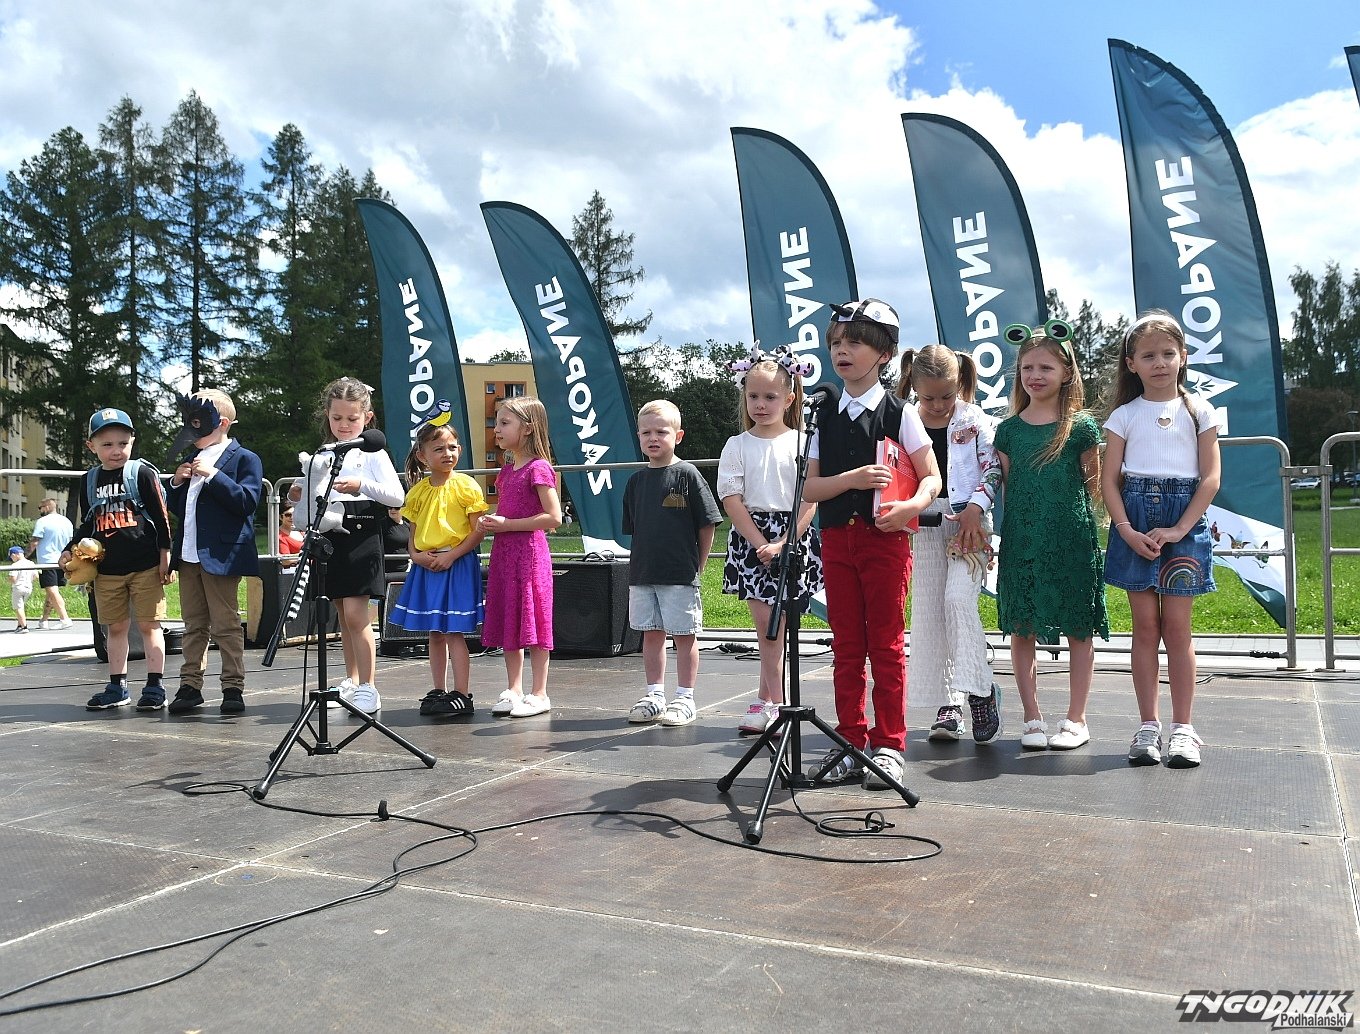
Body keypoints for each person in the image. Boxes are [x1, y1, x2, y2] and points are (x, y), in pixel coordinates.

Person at [802, 299, 940, 789]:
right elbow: (809, 488)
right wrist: (852, 479)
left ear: (884, 354)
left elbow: (931, 478)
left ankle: (889, 745)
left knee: (885, 644)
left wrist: (910, 507)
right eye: (836, 343)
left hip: (886, 544)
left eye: (855, 343)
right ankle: (849, 742)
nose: (842, 351)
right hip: (837, 540)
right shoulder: (821, 414)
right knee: (845, 645)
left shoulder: (901, 413)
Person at [1102, 311, 1221, 768]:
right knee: (1145, 628)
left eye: (1168, 354)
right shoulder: (1123, 416)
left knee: (1177, 629)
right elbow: (1109, 481)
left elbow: (1210, 479)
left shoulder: (1200, 411)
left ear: (1183, 357)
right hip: (1134, 523)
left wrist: (1179, 529)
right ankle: (1148, 726)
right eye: (1148, 356)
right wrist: (1126, 530)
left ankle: (1183, 729)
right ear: (1131, 363)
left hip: (1182, 525)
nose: (1159, 363)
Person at [993, 320, 1109, 751]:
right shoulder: (1008, 431)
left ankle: (1077, 718)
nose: (1035, 375)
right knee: (1022, 628)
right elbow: (1007, 488)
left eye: (1045, 367)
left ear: (1066, 373)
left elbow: (1094, 486)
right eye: (1027, 367)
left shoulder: (1081, 428)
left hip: (1072, 541)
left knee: (1079, 627)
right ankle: (1032, 717)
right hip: (1023, 542)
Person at [895, 344, 1003, 745]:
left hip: (969, 525)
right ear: (914, 387)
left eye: (947, 395)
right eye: (929, 398)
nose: (939, 405)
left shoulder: (975, 420)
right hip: (924, 524)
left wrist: (976, 508)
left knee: (958, 600)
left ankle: (980, 688)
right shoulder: (906, 419)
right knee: (932, 613)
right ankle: (948, 703)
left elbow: (992, 468)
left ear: (960, 384)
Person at [716, 346, 823, 735]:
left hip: (792, 537)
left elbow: (809, 497)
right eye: (753, 396)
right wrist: (761, 542)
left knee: (780, 626)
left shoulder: (803, 442)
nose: (760, 405)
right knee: (768, 627)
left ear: (789, 398)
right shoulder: (737, 444)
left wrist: (785, 541)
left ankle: (766, 699)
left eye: (770, 397)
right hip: (752, 539)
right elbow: (731, 498)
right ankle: (776, 704)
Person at [289, 377, 404, 715]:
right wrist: (298, 492)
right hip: (330, 535)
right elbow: (315, 489)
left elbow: (396, 496)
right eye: (336, 418)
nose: (343, 425)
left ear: (367, 417)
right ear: (326, 415)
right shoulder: (325, 452)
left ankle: (369, 687)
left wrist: (361, 485)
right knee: (342, 613)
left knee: (356, 614)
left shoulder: (373, 453)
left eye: (352, 418)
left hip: (361, 533)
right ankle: (352, 680)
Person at [62, 407, 173, 711]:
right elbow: (87, 523)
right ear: (92, 446)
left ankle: (155, 686)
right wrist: (70, 548)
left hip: (146, 565)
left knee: (150, 625)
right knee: (116, 628)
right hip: (107, 570)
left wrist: (166, 556)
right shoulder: (89, 480)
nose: (116, 451)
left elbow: (162, 518)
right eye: (107, 444)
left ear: (132, 441)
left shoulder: (142, 473)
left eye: (123, 443)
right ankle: (117, 686)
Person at [622, 399, 724, 728]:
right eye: (646, 433)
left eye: (661, 432)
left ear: (678, 436)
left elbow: (707, 524)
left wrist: (699, 566)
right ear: (639, 436)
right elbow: (636, 530)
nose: (653, 438)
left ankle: (685, 697)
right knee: (651, 635)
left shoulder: (688, 475)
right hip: (643, 574)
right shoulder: (636, 482)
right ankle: (654, 695)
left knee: (684, 636)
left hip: (679, 574)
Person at [164, 391, 263, 716]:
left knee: (225, 623)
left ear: (221, 423)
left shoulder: (244, 458)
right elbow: (181, 509)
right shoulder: (192, 459)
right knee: (193, 624)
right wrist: (176, 484)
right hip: (189, 554)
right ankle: (190, 685)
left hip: (222, 556)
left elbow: (246, 502)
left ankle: (232, 686)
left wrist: (215, 475)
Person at [389, 415, 488, 718]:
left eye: (452, 447)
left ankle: (462, 693)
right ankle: (438, 689)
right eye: (439, 449)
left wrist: (451, 555)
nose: (448, 454)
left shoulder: (466, 486)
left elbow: (478, 531)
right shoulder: (418, 491)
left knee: (454, 631)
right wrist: (416, 555)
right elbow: (413, 532)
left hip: (456, 564)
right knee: (435, 631)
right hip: (427, 564)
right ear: (422, 455)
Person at [478, 396, 562, 718]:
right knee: (510, 617)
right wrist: (490, 522)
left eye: (504, 423)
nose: (497, 429)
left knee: (534, 618)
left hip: (529, 555)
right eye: (496, 423)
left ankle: (539, 692)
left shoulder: (538, 468)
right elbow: (508, 512)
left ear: (527, 428)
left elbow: (553, 517)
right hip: (505, 554)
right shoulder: (506, 471)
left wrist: (507, 525)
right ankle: (514, 688)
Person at [27, 497, 74, 629]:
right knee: (52, 591)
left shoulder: (42, 521)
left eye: (40, 508)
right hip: (62, 561)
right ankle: (44, 620)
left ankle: (64, 618)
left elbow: (35, 541)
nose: (39, 510)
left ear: (47, 507)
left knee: (52, 591)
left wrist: (24, 557)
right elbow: (71, 541)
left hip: (47, 561)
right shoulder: (66, 521)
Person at [7, 546, 36, 632]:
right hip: (28, 587)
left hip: (18, 587)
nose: (12, 559)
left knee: (18, 607)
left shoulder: (15, 565)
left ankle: (24, 627)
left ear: (15, 555)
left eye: (11, 557)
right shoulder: (31, 563)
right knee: (21, 606)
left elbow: (13, 578)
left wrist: (8, 580)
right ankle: (19, 625)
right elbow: (36, 576)